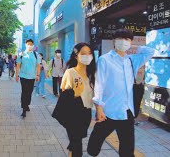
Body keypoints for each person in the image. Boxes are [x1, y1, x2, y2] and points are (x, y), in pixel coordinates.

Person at [87, 29, 155, 157]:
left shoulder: (131, 60)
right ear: (114, 40)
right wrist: (98, 107)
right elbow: (99, 84)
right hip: (109, 110)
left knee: (128, 149)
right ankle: (91, 151)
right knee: (94, 145)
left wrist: (135, 46)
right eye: (121, 39)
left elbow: (150, 52)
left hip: (127, 111)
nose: (124, 42)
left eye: (127, 39)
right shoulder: (104, 60)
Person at [59, 43, 96, 157]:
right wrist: (75, 93)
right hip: (72, 111)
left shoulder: (92, 74)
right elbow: (63, 91)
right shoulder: (70, 72)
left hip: (86, 112)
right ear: (76, 56)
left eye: (89, 53)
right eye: (83, 54)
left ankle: (72, 150)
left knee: (78, 138)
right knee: (77, 141)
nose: (87, 56)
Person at [16, 39, 41, 118]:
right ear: (26, 45)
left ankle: (27, 105)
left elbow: (38, 66)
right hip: (23, 76)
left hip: (32, 77)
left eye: (31, 44)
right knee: (24, 92)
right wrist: (16, 75)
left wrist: (38, 75)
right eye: (28, 44)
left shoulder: (36, 54)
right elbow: (18, 65)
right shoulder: (22, 54)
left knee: (29, 92)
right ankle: (24, 109)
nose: (29, 45)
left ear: (33, 45)